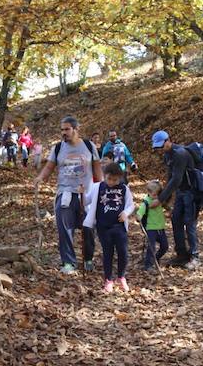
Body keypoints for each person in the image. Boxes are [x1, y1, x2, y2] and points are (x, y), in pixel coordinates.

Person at [33, 115, 103, 274]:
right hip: (65, 193)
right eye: (62, 130)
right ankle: (69, 262)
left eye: (67, 129)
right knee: (65, 229)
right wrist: (40, 178)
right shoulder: (57, 148)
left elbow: (97, 168)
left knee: (89, 228)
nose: (63, 133)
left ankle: (88, 258)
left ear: (76, 129)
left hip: (87, 193)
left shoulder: (89, 146)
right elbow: (50, 167)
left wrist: (101, 186)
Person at [151, 130, 200, 270]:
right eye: (158, 147)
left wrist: (160, 199)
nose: (161, 149)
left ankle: (195, 256)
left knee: (189, 223)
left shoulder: (180, 153)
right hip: (180, 192)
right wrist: (168, 200)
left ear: (169, 140)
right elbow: (170, 177)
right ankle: (181, 255)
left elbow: (177, 179)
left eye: (162, 145)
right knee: (176, 220)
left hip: (192, 192)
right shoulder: (168, 155)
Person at [83, 162, 135, 292]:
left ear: (120, 178)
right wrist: (82, 193)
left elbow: (131, 205)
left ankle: (121, 277)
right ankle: (108, 279)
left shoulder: (124, 189)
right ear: (105, 176)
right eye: (109, 179)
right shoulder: (97, 187)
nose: (111, 182)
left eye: (115, 180)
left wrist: (125, 213)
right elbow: (85, 201)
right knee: (108, 253)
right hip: (103, 226)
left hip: (119, 226)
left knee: (123, 252)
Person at [136, 179, 169, 273]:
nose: (156, 197)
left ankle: (156, 258)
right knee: (151, 247)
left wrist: (169, 210)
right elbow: (140, 211)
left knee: (165, 246)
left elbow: (165, 206)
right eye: (154, 195)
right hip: (151, 228)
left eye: (158, 195)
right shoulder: (146, 202)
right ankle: (148, 265)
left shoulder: (158, 200)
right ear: (149, 192)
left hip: (160, 227)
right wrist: (139, 216)